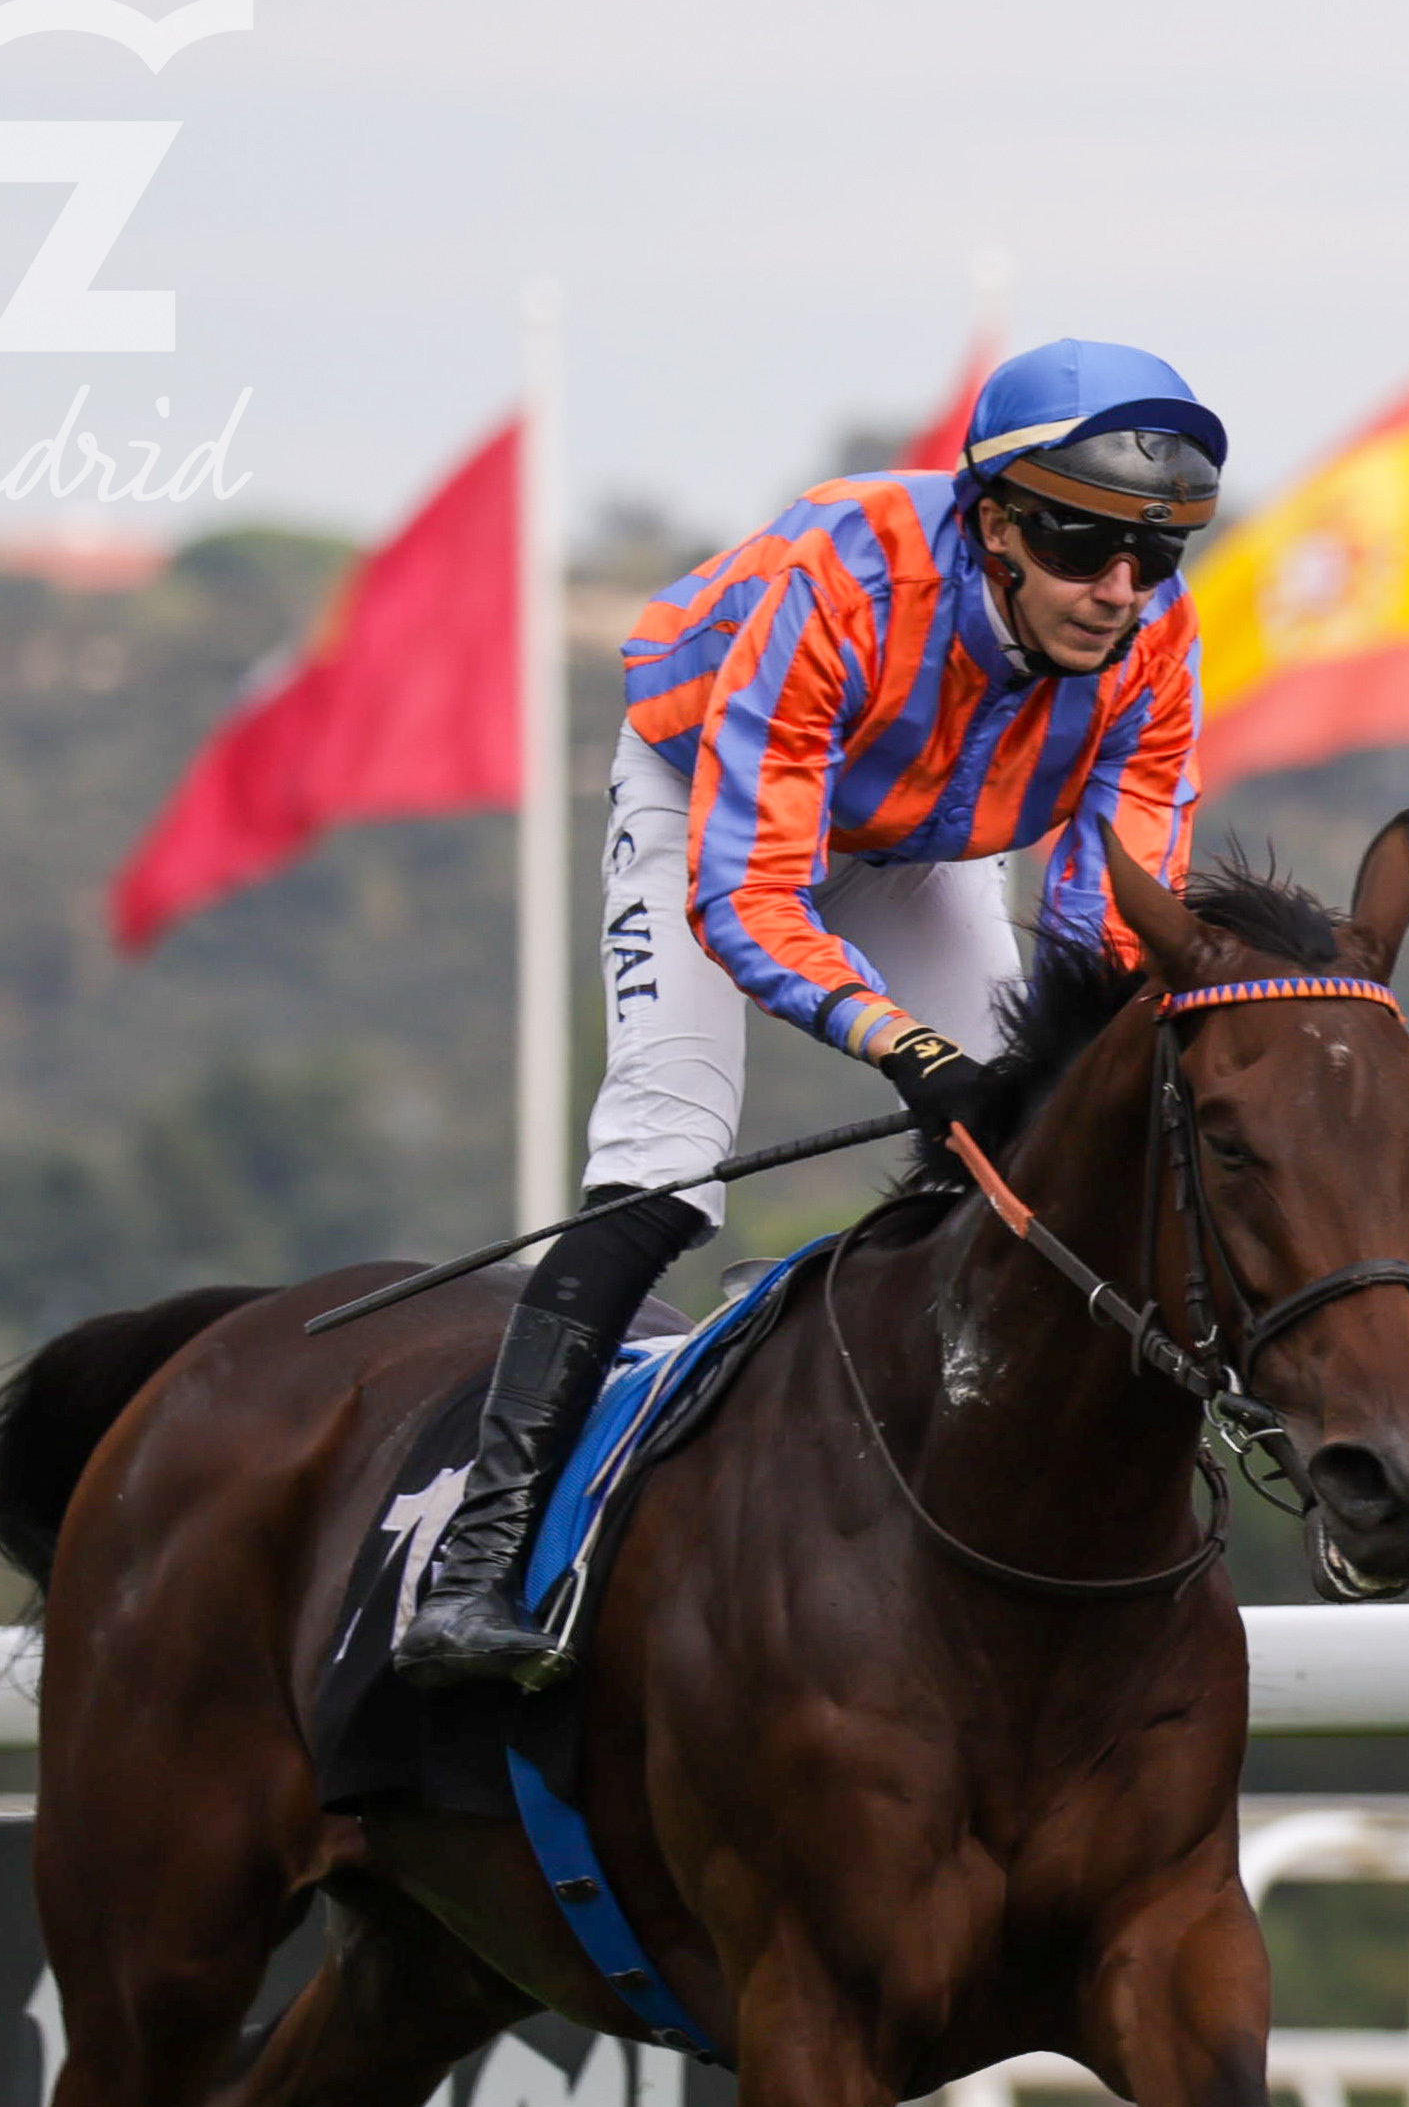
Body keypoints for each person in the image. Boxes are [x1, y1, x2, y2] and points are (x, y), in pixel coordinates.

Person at [392, 339, 1224, 1687]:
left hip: (918, 839)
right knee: (670, 1151)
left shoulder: (1157, 643)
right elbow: (752, 896)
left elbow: (1107, 927)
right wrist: (903, 1045)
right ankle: (476, 1565)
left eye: (1156, 552)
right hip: (715, 809)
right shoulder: (843, 575)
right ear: (995, 522)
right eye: (1081, 545)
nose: (1118, 591)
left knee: (1030, 1137)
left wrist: (1060, 1071)